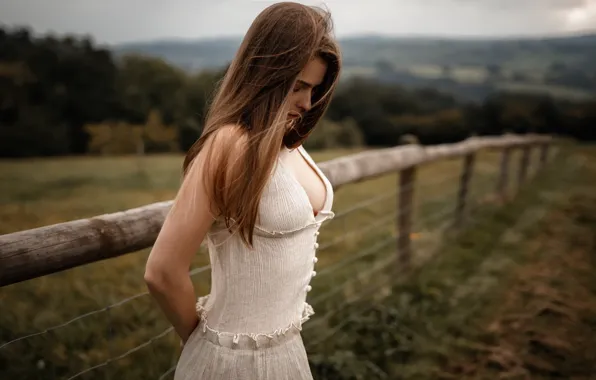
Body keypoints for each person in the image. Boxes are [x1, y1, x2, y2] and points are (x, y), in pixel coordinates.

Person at [144, 2, 341, 379]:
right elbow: (163, 271)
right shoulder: (229, 144)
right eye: (297, 87)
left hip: (289, 353)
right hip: (230, 362)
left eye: (314, 89)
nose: (307, 102)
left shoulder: (287, 140)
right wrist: (209, 346)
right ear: (265, 76)